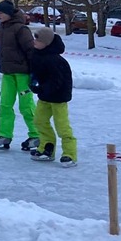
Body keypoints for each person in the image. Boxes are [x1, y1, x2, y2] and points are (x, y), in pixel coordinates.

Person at [0, 0, 39, 151]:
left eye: (1, 13)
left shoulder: (21, 29)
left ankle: (36, 134)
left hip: (23, 74)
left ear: (9, 13)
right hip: (7, 73)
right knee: (5, 105)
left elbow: (31, 51)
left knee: (26, 106)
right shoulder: (1, 29)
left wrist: (35, 72)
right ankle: (4, 134)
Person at [28, 27, 77, 166]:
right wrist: (33, 82)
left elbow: (56, 81)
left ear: (47, 43)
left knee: (62, 126)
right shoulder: (37, 55)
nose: (34, 41)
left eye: (38, 39)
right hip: (45, 96)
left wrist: (42, 89)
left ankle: (70, 154)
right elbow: (36, 72)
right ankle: (47, 148)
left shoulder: (56, 60)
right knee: (39, 121)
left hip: (58, 98)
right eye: (34, 38)